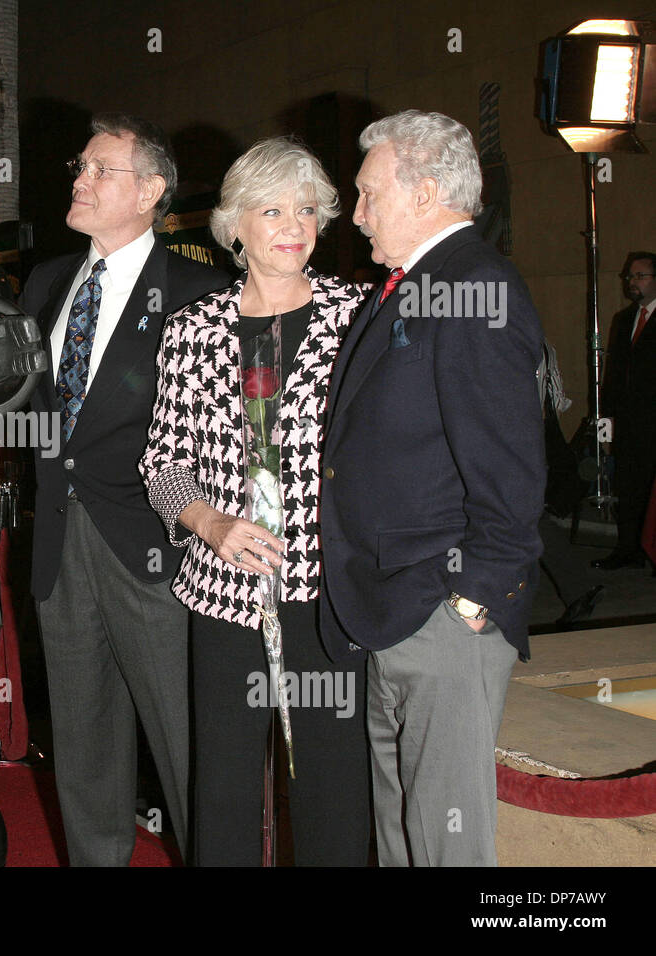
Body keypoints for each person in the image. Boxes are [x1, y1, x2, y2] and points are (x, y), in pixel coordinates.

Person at [320, 110, 545, 866]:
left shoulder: (475, 286)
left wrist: (471, 600)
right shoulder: (412, 286)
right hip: (392, 611)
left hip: (442, 617)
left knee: (447, 850)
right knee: (403, 843)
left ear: (422, 194)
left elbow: (510, 472)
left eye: (367, 193)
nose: (354, 214)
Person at [140, 137, 370, 865]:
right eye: (271, 209)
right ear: (235, 225)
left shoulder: (358, 318)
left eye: (306, 208)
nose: (292, 224)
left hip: (327, 592)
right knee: (227, 788)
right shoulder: (192, 330)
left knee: (332, 782)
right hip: (225, 594)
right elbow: (163, 461)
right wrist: (210, 523)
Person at [23, 113, 227, 865]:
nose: (77, 179)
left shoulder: (201, 292)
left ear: (150, 191)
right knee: (82, 747)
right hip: (58, 550)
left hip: (159, 550)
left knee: (186, 746)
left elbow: (221, 434)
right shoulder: (46, 283)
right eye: (80, 166)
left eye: (98, 170)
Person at [595, 251, 656, 570]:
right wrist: (607, 421)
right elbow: (614, 376)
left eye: (639, 276)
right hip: (629, 423)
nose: (631, 283)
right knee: (629, 487)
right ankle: (628, 549)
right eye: (629, 277)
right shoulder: (623, 320)